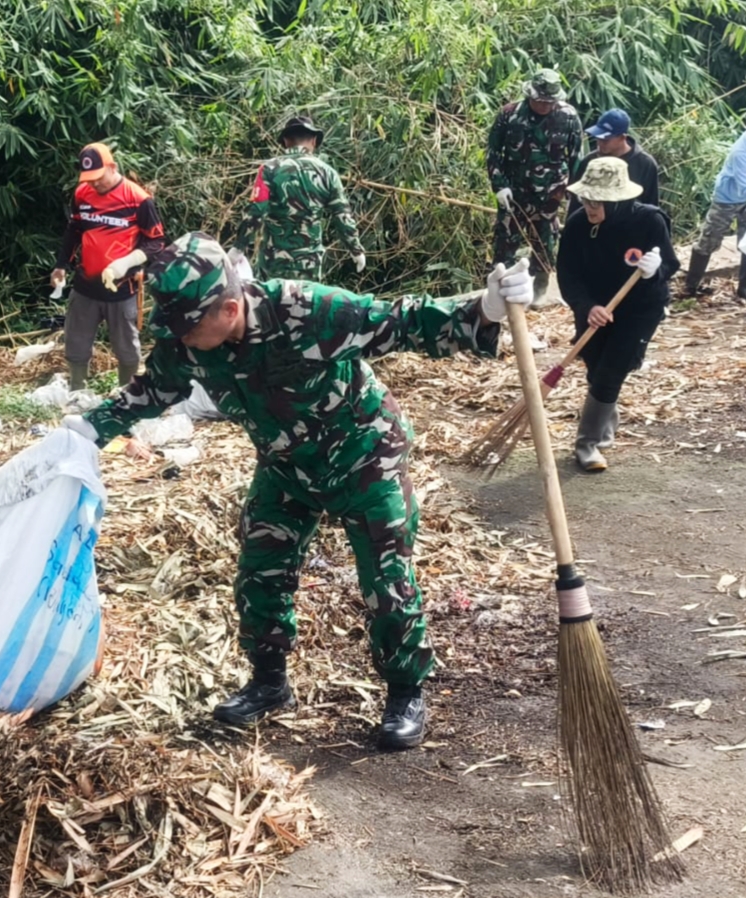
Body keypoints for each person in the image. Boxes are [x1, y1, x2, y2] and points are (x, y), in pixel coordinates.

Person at [61, 232, 534, 750]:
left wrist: (484, 309)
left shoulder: (306, 310)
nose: (179, 338)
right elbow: (156, 386)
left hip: (363, 456)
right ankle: (269, 681)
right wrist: (91, 428)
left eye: (188, 326)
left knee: (385, 575)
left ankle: (405, 690)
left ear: (230, 308)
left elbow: (402, 321)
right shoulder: (188, 339)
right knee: (261, 568)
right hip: (286, 464)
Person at [558, 157, 679, 472]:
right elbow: (568, 275)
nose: (590, 207)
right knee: (595, 367)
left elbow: (670, 264)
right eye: (586, 199)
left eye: (598, 202)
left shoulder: (649, 222)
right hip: (596, 306)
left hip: (639, 308)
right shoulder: (577, 225)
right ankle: (604, 423)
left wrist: (655, 271)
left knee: (611, 372)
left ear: (619, 199)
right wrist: (587, 307)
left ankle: (588, 444)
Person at [51, 142, 167, 390]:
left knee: (127, 349)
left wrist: (127, 262)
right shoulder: (82, 194)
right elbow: (74, 230)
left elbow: (156, 241)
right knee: (76, 343)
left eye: (99, 177)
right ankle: (77, 390)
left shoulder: (138, 199)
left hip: (121, 287)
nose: (94, 183)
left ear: (112, 167)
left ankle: (127, 392)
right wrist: (62, 265)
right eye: (89, 178)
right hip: (85, 285)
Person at [486, 68, 583, 307]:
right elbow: (493, 153)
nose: (545, 106)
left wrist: (575, 190)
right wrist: (499, 185)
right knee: (505, 241)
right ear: (530, 95)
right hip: (515, 192)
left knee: (545, 240)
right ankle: (499, 292)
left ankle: (540, 286)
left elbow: (577, 157)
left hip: (551, 193)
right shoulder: (510, 115)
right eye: (540, 101)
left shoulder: (568, 116)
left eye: (549, 102)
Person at [240, 113, 366, 282]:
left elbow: (255, 211)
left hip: (274, 261)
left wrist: (238, 247)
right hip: (309, 263)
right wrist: (355, 249)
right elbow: (342, 216)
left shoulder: (268, 169)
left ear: (285, 141)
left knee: (270, 305)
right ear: (314, 140)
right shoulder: (328, 173)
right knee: (307, 305)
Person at [684, 130, 746, 299]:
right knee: (710, 239)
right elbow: (744, 184)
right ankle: (690, 286)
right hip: (728, 197)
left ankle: (744, 289)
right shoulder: (740, 153)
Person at [567, 109, 660, 219]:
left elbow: (650, 204)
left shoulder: (645, 164)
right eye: (598, 138)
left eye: (606, 140)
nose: (600, 143)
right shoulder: (590, 162)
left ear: (622, 137)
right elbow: (577, 202)